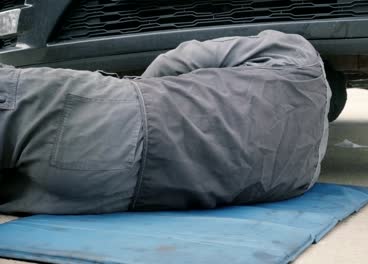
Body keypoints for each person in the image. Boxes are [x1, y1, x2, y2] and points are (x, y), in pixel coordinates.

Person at [0, 30, 331, 214]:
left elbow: (178, 59)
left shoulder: (300, 57)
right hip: (114, 191)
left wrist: (139, 94)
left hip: (116, 117)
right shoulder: (303, 177)